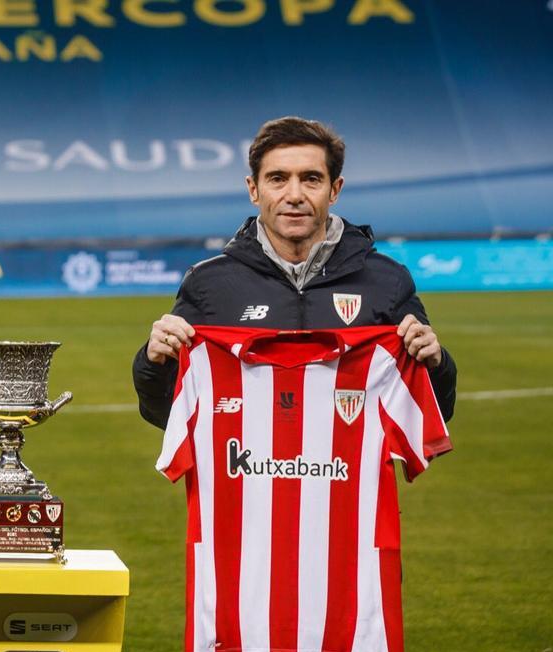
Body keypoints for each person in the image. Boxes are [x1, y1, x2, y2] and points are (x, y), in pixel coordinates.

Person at [133, 116, 456, 428]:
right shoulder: (209, 283)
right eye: (278, 179)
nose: (295, 195)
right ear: (253, 189)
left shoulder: (387, 280)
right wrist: (154, 362)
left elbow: (430, 413)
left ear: (335, 189)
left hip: (347, 480)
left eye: (311, 179)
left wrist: (437, 363)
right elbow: (168, 414)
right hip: (245, 477)